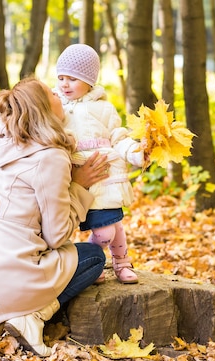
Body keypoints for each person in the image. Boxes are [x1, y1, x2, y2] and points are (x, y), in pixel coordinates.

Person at [0, 77, 110, 357]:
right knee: (94, 257)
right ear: (43, 108)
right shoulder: (50, 157)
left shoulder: (8, 142)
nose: (58, 92)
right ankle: (32, 316)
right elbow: (56, 236)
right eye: (51, 92)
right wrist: (79, 186)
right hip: (10, 271)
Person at [54, 43, 146, 285]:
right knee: (102, 228)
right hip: (75, 177)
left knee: (110, 226)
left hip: (105, 177)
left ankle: (120, 262)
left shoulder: (103, 108)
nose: (65, 84)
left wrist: (136, 154)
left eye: (73, 79)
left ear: (89, 81)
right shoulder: (56, 107)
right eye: (61, 77)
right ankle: (91, 260)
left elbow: (119, 137)